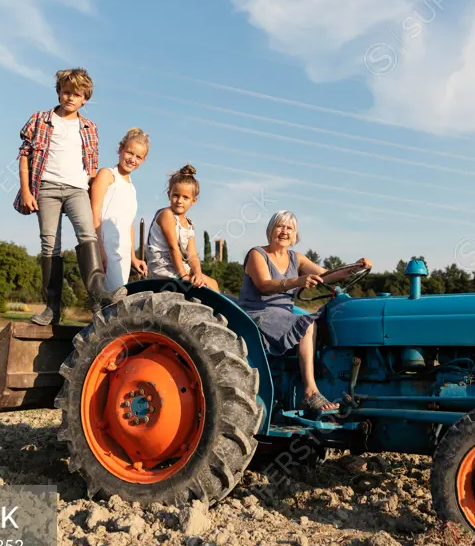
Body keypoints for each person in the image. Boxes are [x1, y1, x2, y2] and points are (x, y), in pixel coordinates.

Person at [14, 67, 123, 325]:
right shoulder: (39, 120)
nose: (70, 98)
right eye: (65, 92)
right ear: (58, 93)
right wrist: (28, 191)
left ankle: (97, 297)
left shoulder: (89, 128)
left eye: (76, 94)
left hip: (77, 189)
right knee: (50, 245)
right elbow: (24, 157)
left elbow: (92, 167)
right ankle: (52, 309)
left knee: (88, 234)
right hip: (47, 188)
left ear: (85, 99)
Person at [240, 210, 372, 414]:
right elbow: (265, 285)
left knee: (324, 319)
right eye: (280, 226)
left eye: (289, 228)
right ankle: (310, 391)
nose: (284, 231)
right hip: (258, 312)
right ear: (271, 230)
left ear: (295, 235)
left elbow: (326, 276)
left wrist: (355, 268)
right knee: (308, 323)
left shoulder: (296, 258)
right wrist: (298, 281)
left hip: (284, 312)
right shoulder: (257, 254)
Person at [90, 128, 150, 292]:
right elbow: (94, 211)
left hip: (122, 254)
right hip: (106, 250)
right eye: (130, 153)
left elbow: (128, 224)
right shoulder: (107, 175)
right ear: (120, 149)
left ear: (144, 160)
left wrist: (132, 257)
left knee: (117, 303)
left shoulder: (132, 188)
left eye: (138, 157)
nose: (133, 159)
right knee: (112, 301)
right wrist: (99, 250)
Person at [144, 164, 219, 291]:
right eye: (176, 195)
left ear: (193, 201)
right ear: (169, 195)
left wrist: (198, 273)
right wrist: (183, 275)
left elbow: (192, 255)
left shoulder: (189, 224)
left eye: (185, 197)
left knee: (213, 283)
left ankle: (218, 311)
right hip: (163, 267)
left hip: (178, 266)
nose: (179, 200)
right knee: (202, 288)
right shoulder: (166, 215)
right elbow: (173, 248)